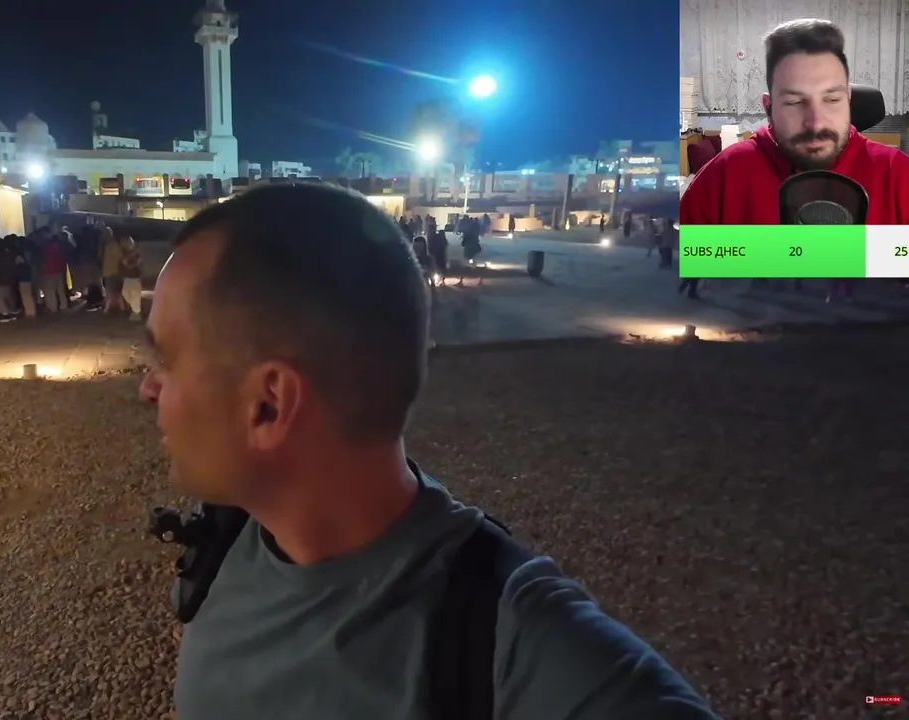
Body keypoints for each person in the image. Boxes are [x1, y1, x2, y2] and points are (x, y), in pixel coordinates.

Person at [140, 184, 717, 720]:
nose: (147, 388)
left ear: (269, 405)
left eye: (165, 360)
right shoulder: (227, 538)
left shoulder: (509, 647)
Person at [681, 19, 909, 224]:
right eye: (795, 102)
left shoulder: (898, 174)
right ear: (768, 107)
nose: (816, 123)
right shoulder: (722, 176)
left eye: (832, 99)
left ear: (848, 100)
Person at [119, 236, 144, 321]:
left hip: (135, 278)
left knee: (135, 295)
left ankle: (136, 312)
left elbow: (135, 265)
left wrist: (127, 263)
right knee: (125, 293)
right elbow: (123, 264)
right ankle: (136, 310)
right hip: (127, 278)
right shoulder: (125, 253)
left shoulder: (137, 254)